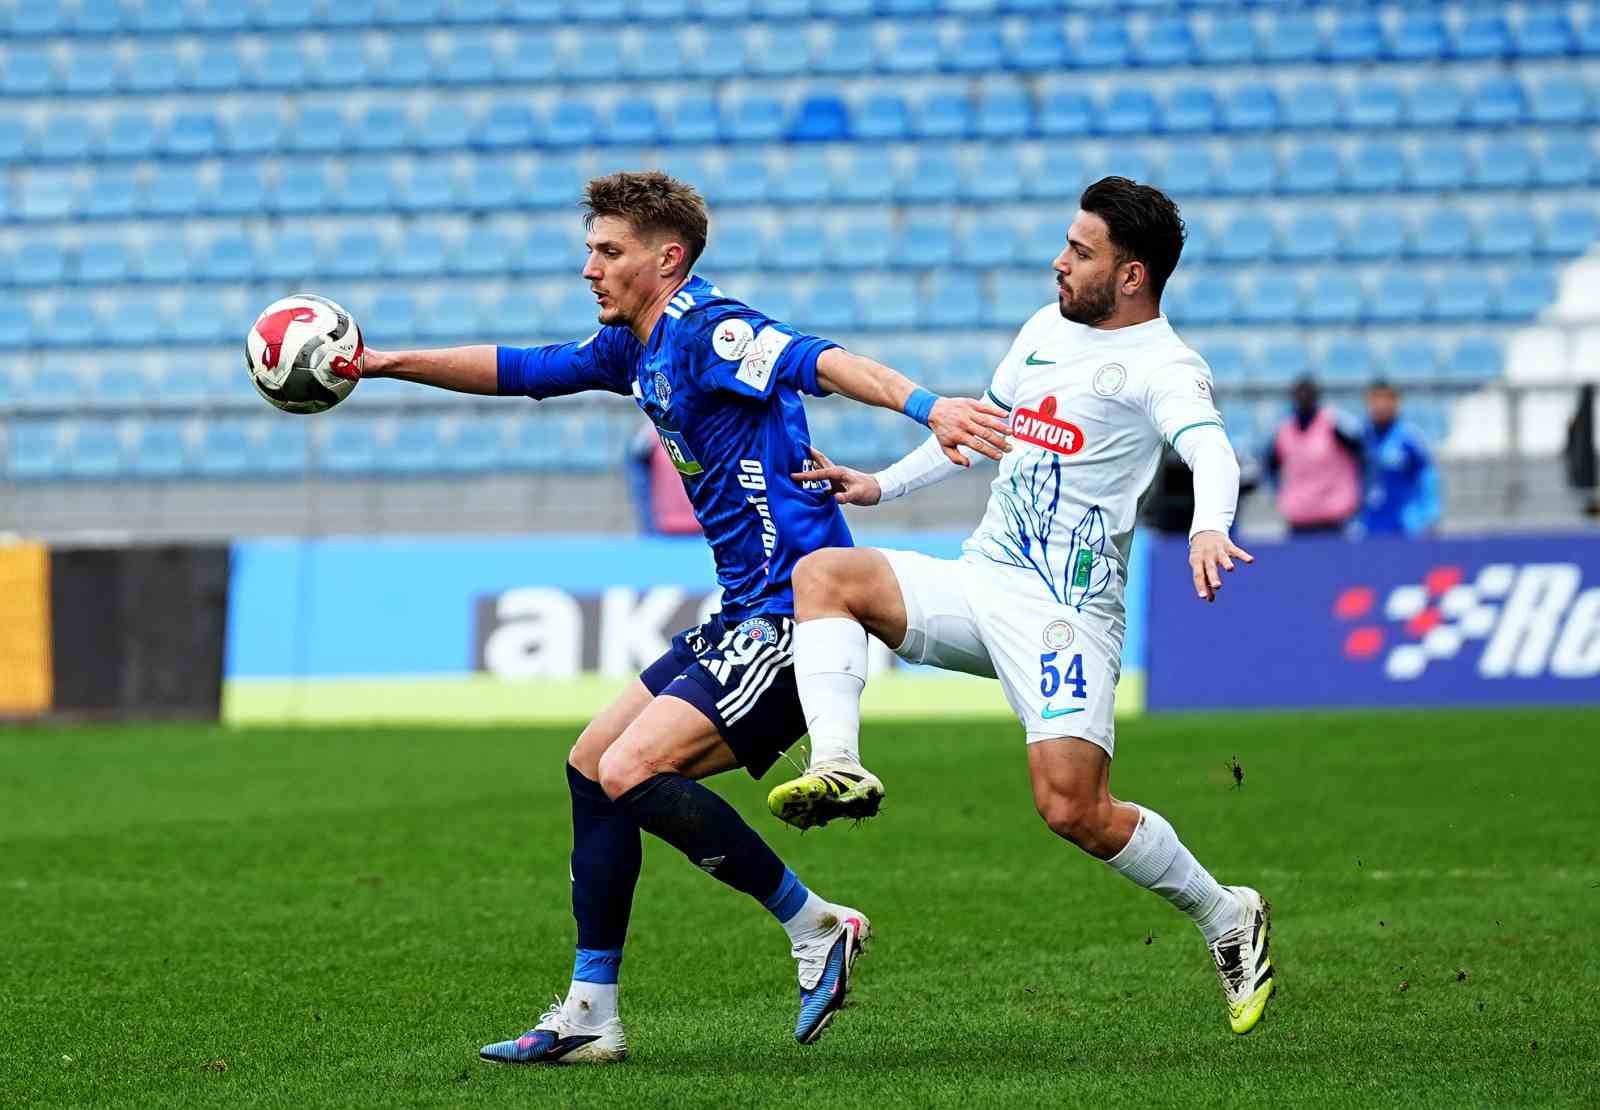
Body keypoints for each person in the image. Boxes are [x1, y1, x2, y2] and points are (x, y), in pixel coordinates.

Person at [330, 171, 1010, 1062]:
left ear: (667, 258)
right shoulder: (636, 346)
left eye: (608, 252)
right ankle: (590, 1013)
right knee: (588, 765)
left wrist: (929, 407)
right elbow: (524, 371)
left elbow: (819, 358)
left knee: (629, 768)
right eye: (590, 251)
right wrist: (384, 364)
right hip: (742, 617)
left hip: (796, 619)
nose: (590, 269)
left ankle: (816, 927)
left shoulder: (709, 330)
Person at [764, 177, 1276, 1037]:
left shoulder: (1165, 366)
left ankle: (1226, 913)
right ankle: (841, 763)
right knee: (826, 575)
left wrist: (1207, 527)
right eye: (1066, 244)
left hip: (1065, 616)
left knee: (1072, 809)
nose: (1060, 261)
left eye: (1081, 252)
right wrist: (881, 485)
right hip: (981, 577)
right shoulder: (1045, 329)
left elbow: (1210, 452)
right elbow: (985, 428)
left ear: (1132, 276)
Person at [1264, 376, 1363, 536]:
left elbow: (1362, 453)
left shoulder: (1334, 424)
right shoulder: (1283, 430)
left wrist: (1358, 495)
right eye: (1299, 394)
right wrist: (1278, 495)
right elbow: (1269, 466)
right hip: (1298, 519)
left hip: (1334, 519)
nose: (1303, 399)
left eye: (1308, 394)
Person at [1360, 380, 1441, 536]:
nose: (1381, 406)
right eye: (1375, 400)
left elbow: (1427, 475)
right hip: (1370, 524)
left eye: (1386, 400)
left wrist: (1429, 514)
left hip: (1404, 525)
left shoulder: (1409, 438)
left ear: (1396, 403)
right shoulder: (1361, 437)